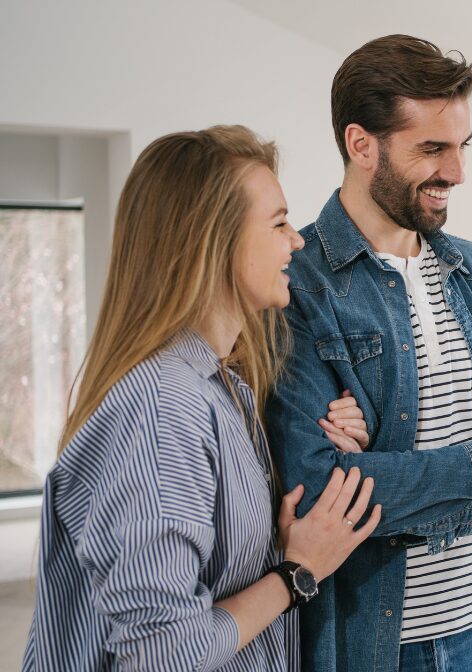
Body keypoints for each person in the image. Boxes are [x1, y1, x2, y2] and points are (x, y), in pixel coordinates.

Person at [264, 35, 472, 671]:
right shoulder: (297, 285)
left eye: (461, 147)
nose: (456, 172)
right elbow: (318, 488)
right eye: (432, 149)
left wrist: (384, 471)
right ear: (361, 144)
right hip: (373, 644)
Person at [22, 125, 381, 671]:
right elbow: (164, 651)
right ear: (214, 241)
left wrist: (278, 541)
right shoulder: (162, 408)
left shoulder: (222, 385)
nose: (298, 240)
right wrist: (295, 573)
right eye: (279, 222)